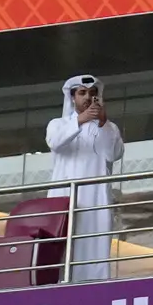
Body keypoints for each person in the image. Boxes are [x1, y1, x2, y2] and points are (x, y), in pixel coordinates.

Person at [48, 74, 125, 276]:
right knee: (62, 247)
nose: (88, 97)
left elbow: (114, 154)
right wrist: (81, 121)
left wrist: (103, 122)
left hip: (96, 199)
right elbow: (55, 142)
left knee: (95, 248)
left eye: (92, 93)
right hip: (64, 196)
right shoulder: (58, 124)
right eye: (82, 93)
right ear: (72, 97)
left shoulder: (109, 128)